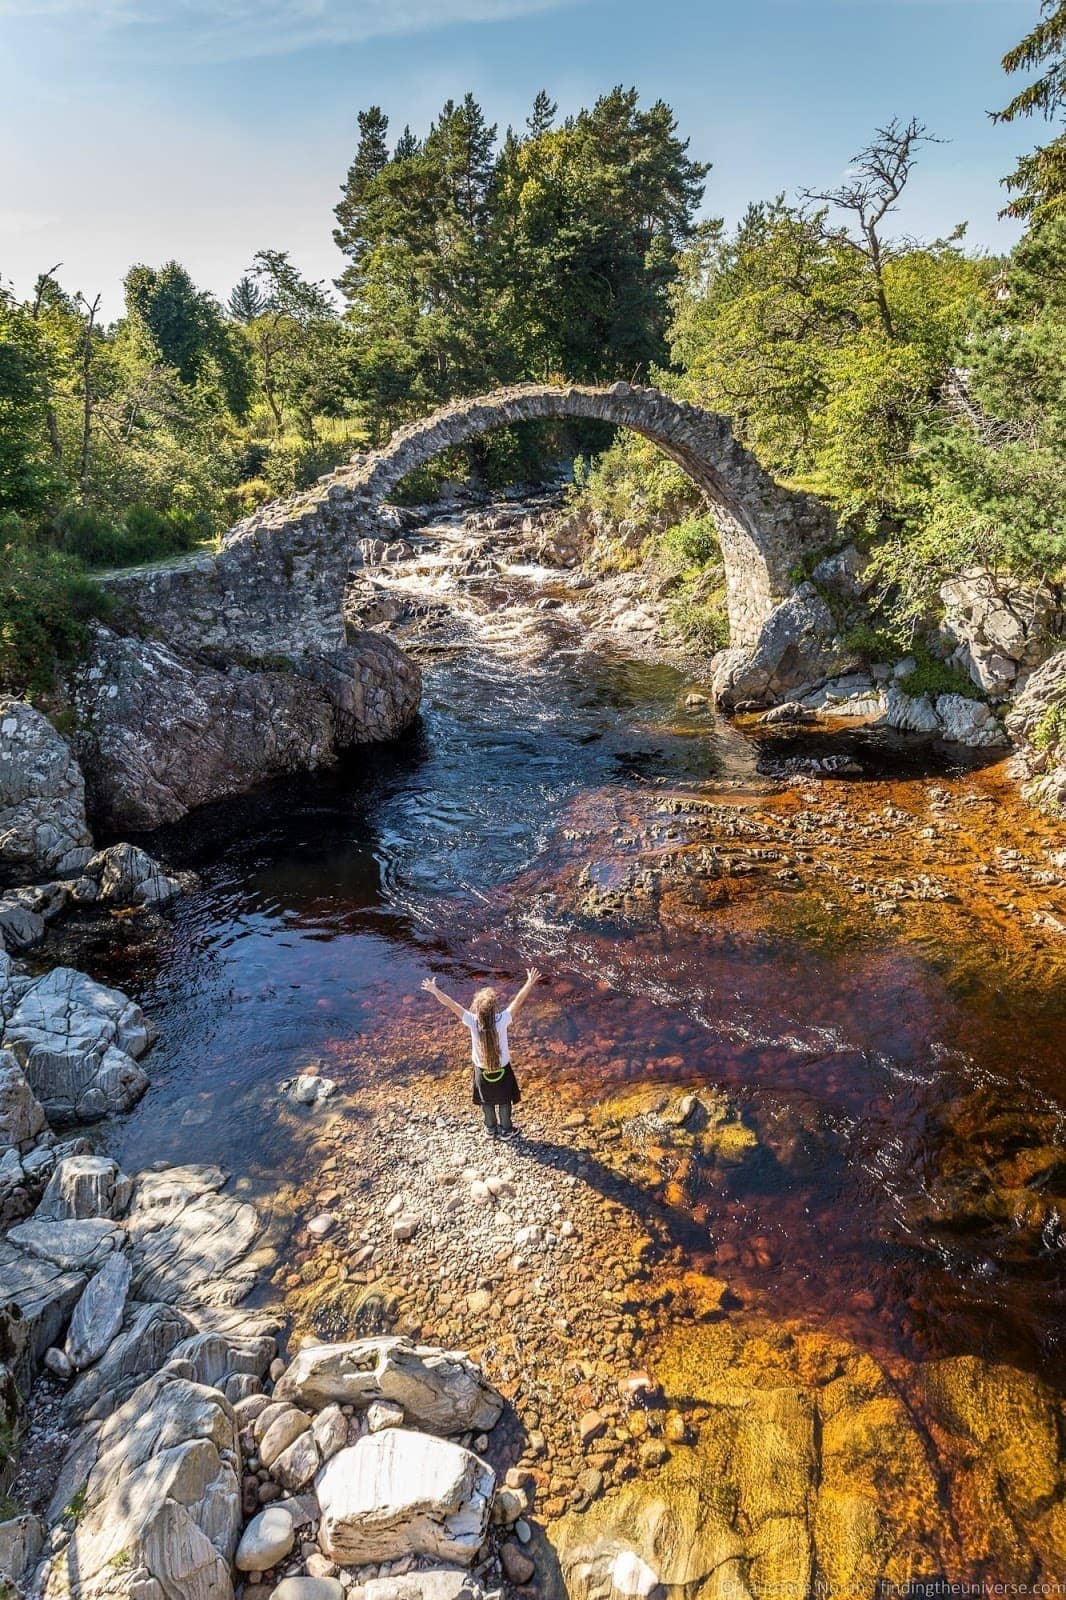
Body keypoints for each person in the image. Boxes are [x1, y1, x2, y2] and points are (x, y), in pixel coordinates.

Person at [421, 968, 542, 1139]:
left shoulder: (472, 1021)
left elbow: (451, 1003)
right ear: (494, 1009)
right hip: (503, 1070)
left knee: (486, 1101)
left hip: (481, 1071)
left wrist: (434, 990)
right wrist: (529, 982)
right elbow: (518, 1000)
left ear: (477, 1008)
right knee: (504, 1100)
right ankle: (507, 1130)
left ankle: (490, 1129)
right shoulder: (502, 1020)